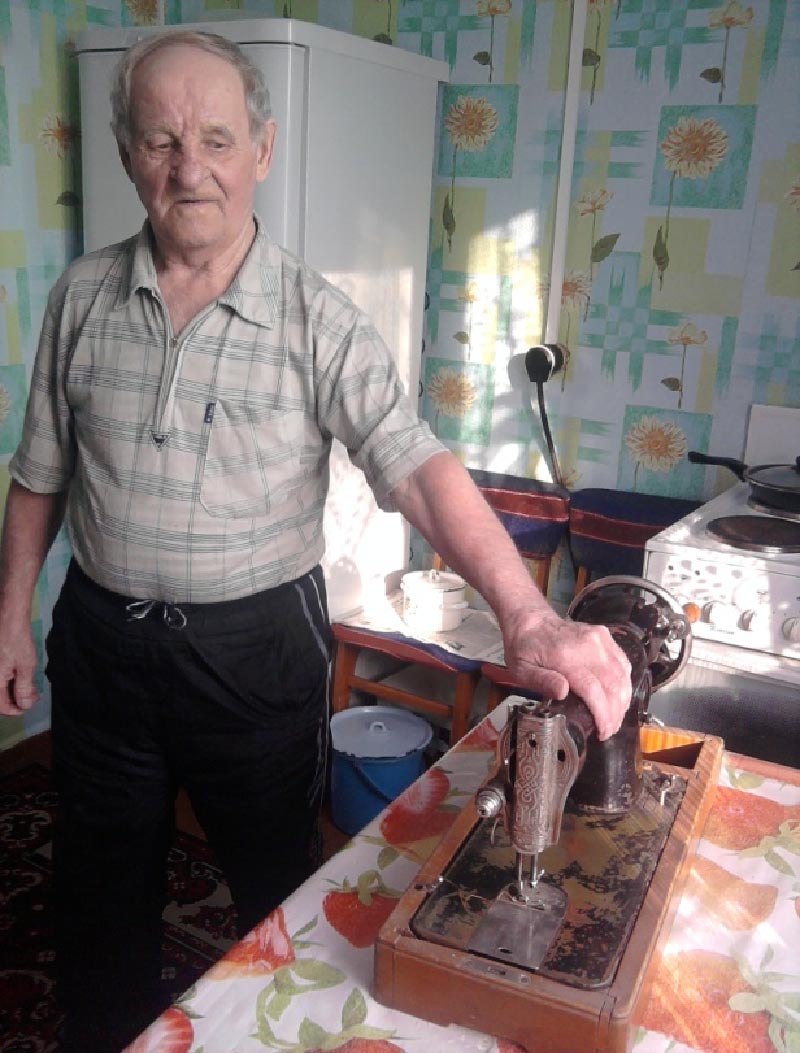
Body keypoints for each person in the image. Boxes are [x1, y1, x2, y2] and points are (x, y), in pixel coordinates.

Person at [0, 29, 631, 1053]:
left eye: (216, 139)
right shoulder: (81, 296)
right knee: (97, 893)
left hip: (251, 657)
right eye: (161, 140)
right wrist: (10, 622)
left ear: (262, 148)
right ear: (126, 154)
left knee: (275, 892)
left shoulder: (317, 318)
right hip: (103, 645)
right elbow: (40, 474)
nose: (190, 168)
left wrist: (528, 616)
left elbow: (414, 464)